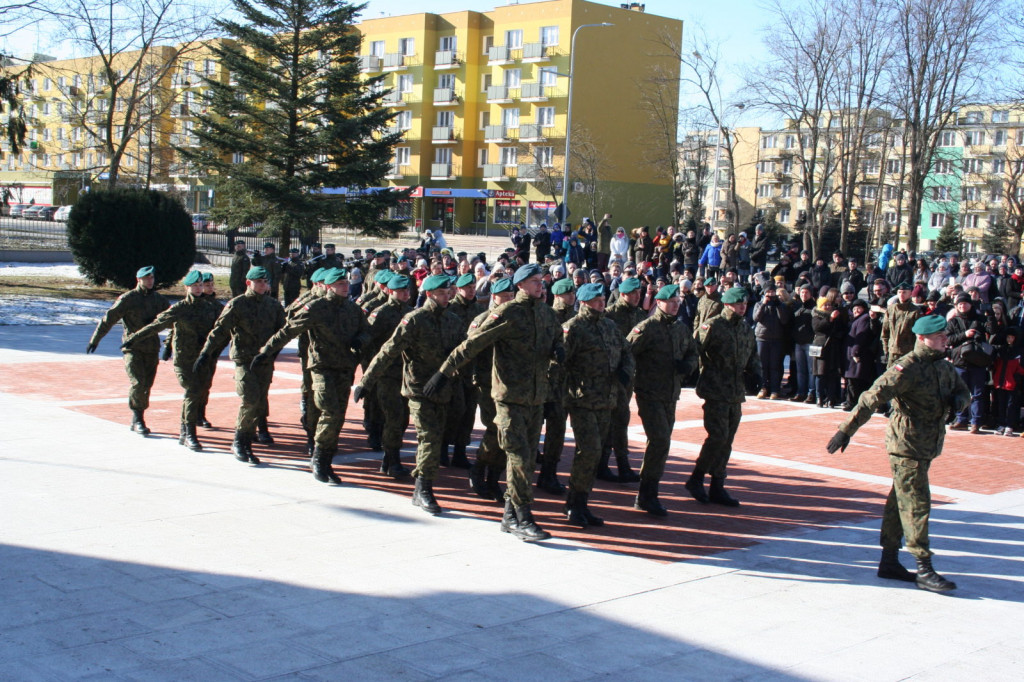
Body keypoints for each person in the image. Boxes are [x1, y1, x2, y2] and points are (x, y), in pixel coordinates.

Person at [826, 315, 969, 592]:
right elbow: (871, 397)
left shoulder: (943, 366)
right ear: (922, 338)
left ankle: (889, 560)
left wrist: (958, 402)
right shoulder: (907, 368)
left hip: (927, 445)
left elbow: (963, 393)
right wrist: (846, 430)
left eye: (945, 335)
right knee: (917, 503)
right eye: (939, 336)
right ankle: (924, 567)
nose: (945, 339)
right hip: (907, 446)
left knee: (899, 502)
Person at [430, 264, 564, 542]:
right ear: (521, 285)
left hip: (536, 398)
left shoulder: (548, 314)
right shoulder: (507, 313)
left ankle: (508, 516)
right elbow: (471, 345)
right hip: (509, 398)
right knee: (518, 458)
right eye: (535, 281)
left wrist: (557, 351)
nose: (541, 285)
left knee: (525, 458)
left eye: (542, 281)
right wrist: (444, 372)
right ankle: (523, 516)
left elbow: (556, 340)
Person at [357, 274, 465, 514]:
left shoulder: (453, 320)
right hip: (418, 388)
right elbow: (388, 351)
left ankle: (415, 476)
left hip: (444, 387)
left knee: (439, 435)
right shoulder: (414, 320)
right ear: (429, 294)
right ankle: (422, 489)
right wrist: (366, 381)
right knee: (428, 436)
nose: (447, 296)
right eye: (441, 293)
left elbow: (463, 352)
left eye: (448, 292)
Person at [255, 268, 369, 484]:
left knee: (338, 416)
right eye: (340, 284)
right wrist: (266, 351)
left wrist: (360, 340)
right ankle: (319, 458)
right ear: (328, 287)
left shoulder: (353, 309)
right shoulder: (317, 307)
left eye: (346, 283)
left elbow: (366, 330)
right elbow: (289, 330)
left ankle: (325, 458)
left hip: (344, 368)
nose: (345, 287)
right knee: (330, 411)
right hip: (321, 367)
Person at [560, 282, 634, 528]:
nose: (601, 303)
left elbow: (627, 352)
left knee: (597, 451)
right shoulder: (573, 329)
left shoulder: (609, 326)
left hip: (607, 399)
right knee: (589, 450)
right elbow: (557, 363)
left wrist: (625, 371)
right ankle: (574, 503)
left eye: (602, 299)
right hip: (582, 400)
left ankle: (581, 502)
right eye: (596, 300)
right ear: (583, 302)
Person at [194, 266, 285, 465]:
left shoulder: (273, 305)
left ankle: (248, 434)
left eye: (265, 281)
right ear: (248, 283)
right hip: (245, 360)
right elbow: (219, 331)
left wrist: (272, 353)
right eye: (259, 281)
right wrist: (205, 353)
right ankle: (239, 442)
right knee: (250, 400)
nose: (263, 285)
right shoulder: (237, 304)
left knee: (259, 402)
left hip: (264, 361)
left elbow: (282, 333)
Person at [121, 270, 220, 451]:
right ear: (187, 288)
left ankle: (184, 430)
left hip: (204, 359)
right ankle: (189, 433)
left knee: (199, 392)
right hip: (184, 360)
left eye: (200, 285)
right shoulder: (180, 308)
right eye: (194, 286)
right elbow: (156, 325)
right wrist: (134, 338)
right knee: (193, 390)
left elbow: (228, 324)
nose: (198, 289)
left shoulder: (212, 307)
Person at [684, 286, 761, 506]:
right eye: (738, 304)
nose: (742, 307)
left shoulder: (745, 328)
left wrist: (756, 374)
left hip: (735, 391)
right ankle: (696, 478)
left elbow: (752, 353)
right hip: (715, 389)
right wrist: (688, 372)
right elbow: (694, 348)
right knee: (717, 436)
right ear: (727, 304)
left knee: (727, 440)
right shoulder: (714, 325)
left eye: (744, 304)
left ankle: (717, 485)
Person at [627, 284, 699, 516]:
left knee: (661, 442)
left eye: (678, 301)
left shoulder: (680, 328)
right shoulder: (647, 328)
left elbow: (692, 352)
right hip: (649, 392)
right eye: (671, 301)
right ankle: (646, 494)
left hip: (670, 394)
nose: (676, 305)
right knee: (659, 440)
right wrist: (631, 377)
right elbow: (625, 353)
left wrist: (687, 366)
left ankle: (648, 493)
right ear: (659, 302)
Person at [87, 265, 170, 435]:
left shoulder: (159, 300)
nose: (150, 281)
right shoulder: (128, 299)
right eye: (147, 278)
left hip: (151, 348)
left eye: (152, 278)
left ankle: (139, 414)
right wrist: (95, 339)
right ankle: (137, 418)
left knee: (147, 384)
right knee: (138, 383)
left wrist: (169, 344)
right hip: (133, 348)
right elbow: (108, 319)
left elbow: (174, 319)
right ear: (139, 279)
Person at [467, 277, 518, 501]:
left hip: (511, 386)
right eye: (504, 296)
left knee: (506, 433)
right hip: (488, 384)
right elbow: (470, 350)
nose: (509, 300)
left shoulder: (518, 317)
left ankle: (493, 478)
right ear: (494, 297)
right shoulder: (483, 320)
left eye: (511, 296)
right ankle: (479, 467)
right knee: (494, 431)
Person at [600, 276, 645, 483]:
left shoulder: (639, 315)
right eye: (633, 293)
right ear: (623, 294)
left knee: (621, 419)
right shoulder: (609, 314)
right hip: (610, 377)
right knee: (611, 420)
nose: (637, 297)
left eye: (639, 293)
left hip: (628, 377)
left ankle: (620, 463)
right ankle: (605, 463)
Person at [537, 277, 577, 495]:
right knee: (531, 431)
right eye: (567, 294)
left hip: (562, 387)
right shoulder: (545, 316)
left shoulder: (576, 319)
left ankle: (548, 474)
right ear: (557, 296)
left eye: (572, 294)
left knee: (557, 432)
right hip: (542, 383)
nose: (571, 297)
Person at [946, 293, 987, 433]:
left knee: (977, 394)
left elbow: (992, 330)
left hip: (977, 361)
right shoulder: (953, 322)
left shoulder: (980, 319)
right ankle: (961, 419)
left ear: (971, 304)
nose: (962, 306)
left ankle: (976, 422)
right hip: (959, 361)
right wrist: (965, 335)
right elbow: (948, 340)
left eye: (965, 303)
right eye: (960, 304)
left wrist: (991, 315)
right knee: (960, 392)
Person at [753, 285, 792, 399]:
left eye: (772, 292)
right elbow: (756, 318)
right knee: (763, 365)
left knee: (775, 365)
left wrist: (778, 305)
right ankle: (763, 387)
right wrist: (764, 304)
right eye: (768, 292)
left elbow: (784, 320)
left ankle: (775, 389)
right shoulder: (759, 304)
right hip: (762, 338)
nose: (770, 294)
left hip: (776, 339)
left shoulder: (781, 305)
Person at [881, 283, 922, 367]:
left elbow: (919, 335)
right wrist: (886, 349)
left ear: (910, 293)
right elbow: (885, 332)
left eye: (904, 292)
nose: (901, 295)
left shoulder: (915, 311)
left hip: (908, 352)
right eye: (899, 292)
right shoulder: (891, 310)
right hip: (892, 351)